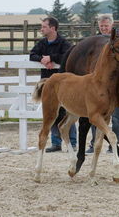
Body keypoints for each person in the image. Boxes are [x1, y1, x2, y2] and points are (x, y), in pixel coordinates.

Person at [29, 17, 77, 152]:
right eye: (42, 26)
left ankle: (72, 142)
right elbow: (32, 54)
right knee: (51, 112)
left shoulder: (64, 43)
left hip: (62, 84)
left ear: (53, 28)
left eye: (44, 27)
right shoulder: (42, 43)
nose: (41, 29)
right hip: (48, 83)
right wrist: (42, 60)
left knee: (67, 112)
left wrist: (52, 58)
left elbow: (68, 56)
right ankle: (56, 143)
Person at [86, 14, 119, 154]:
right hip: (97, 84)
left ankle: (115, 144)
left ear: (111, 26)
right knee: (94, 113)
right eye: (101, 26)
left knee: (115, 115)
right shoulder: (94, 41)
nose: (103, 29)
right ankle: (94, 143)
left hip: (114, 83)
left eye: (106, 26)